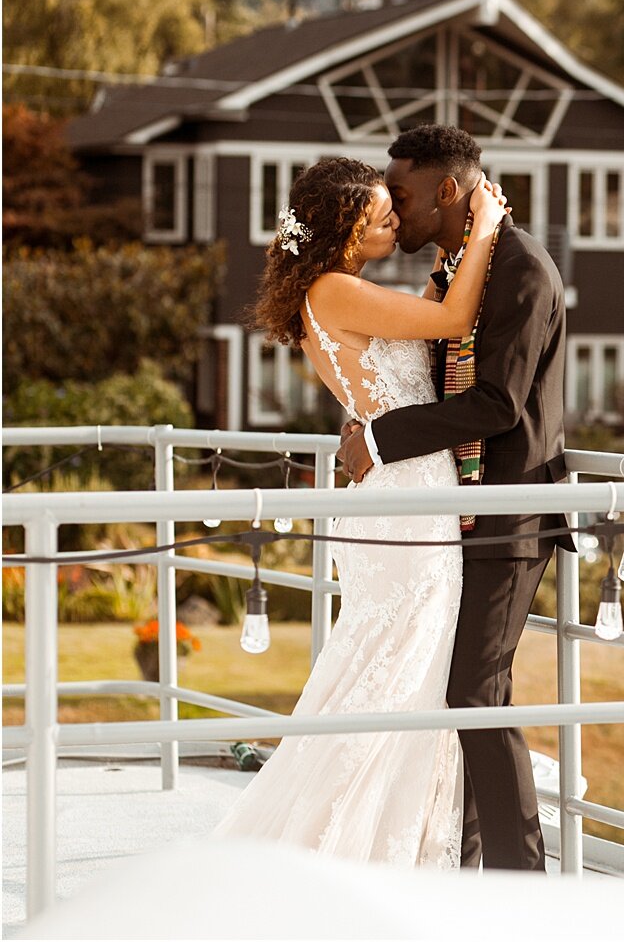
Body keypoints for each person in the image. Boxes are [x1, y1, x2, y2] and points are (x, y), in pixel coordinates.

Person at [211, 156, 508, 867]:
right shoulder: (338, 289)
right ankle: (356, 849)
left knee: (391, 665)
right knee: (402, 670)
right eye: (381, 213)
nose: (394, 220)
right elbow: (453, 318)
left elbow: (415, 335)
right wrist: (487, 228)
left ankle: (377, 838)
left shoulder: (335, 291)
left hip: (399, 491)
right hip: (410, 500)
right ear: (346, 228)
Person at [337, 124, 575, 873]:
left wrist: (379, 441)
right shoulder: (462, 264)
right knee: (461, 690)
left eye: (401, 197)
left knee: (475, 692)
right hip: (452, 513)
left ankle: (521, 882)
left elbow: (499, 405)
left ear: (448, 190)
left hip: (511, 514)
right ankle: (469, 861)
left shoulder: (524, 272)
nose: (394, 213)